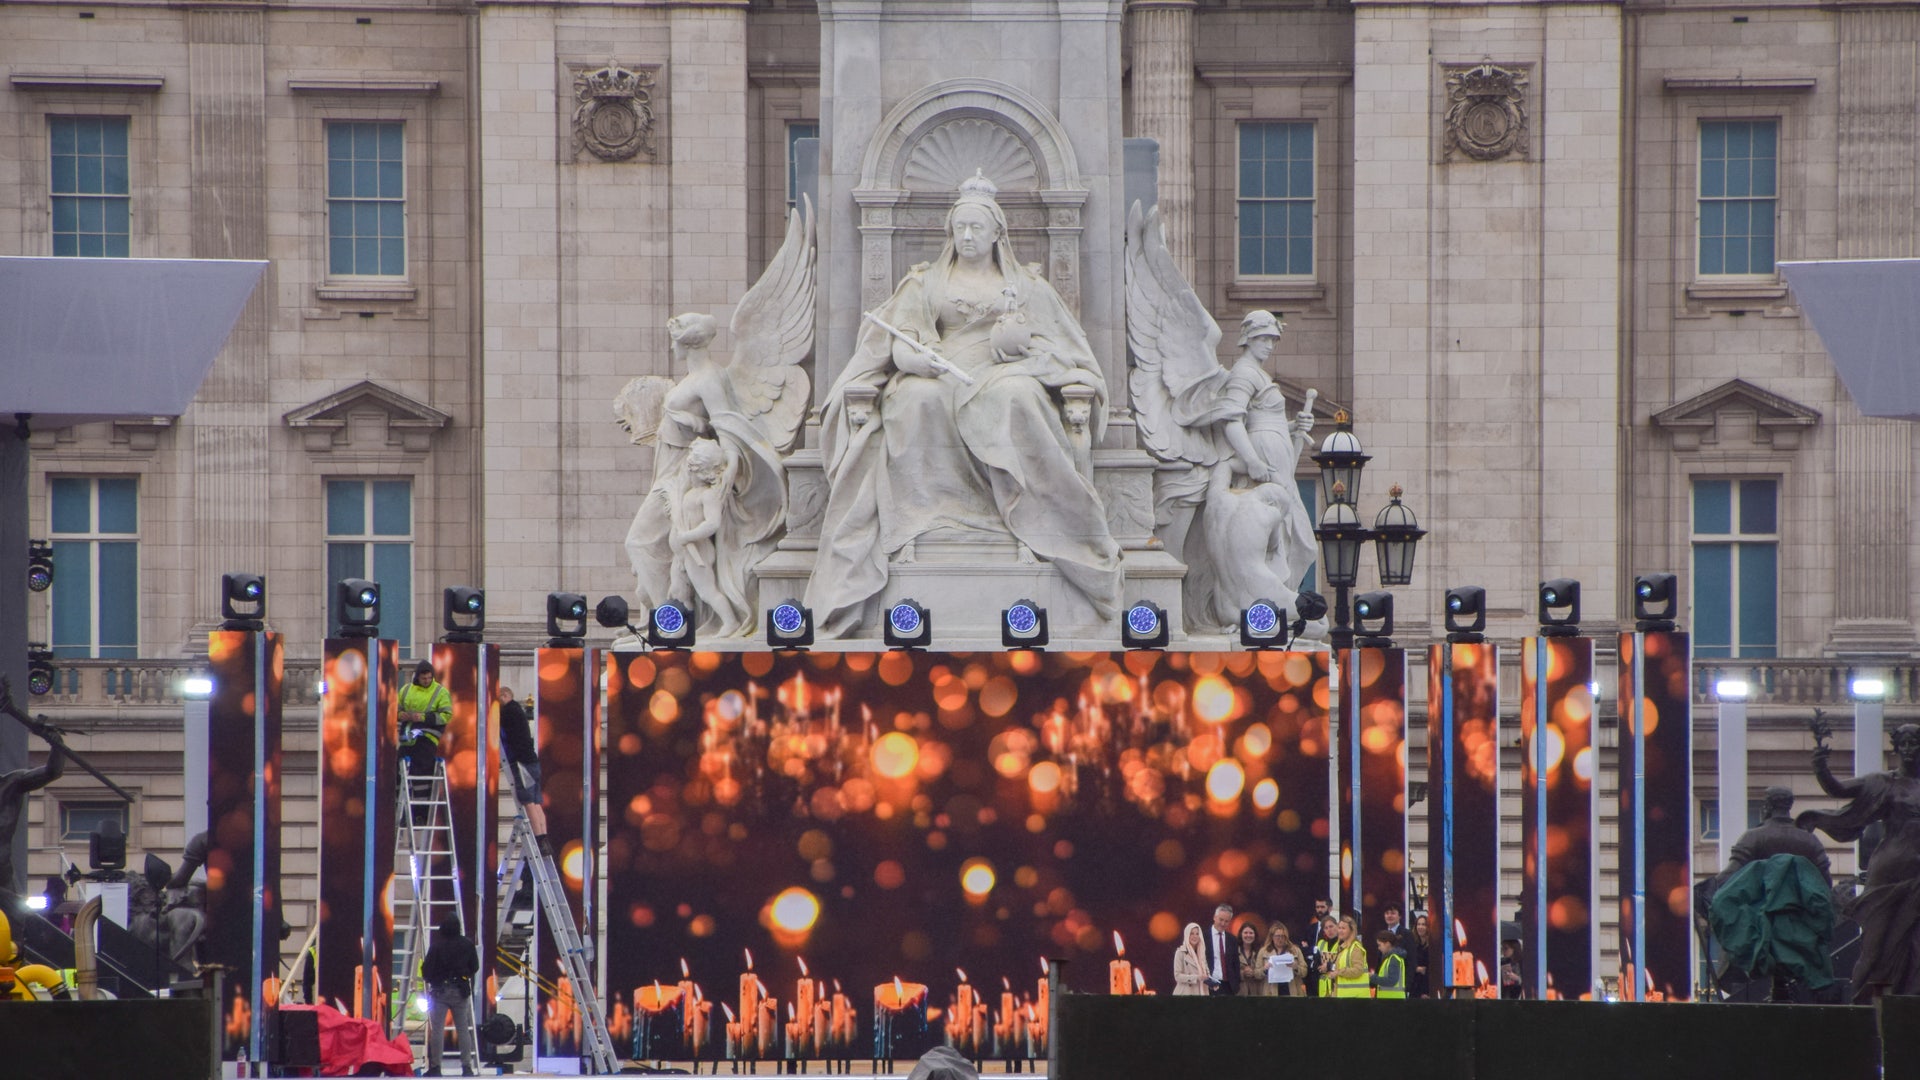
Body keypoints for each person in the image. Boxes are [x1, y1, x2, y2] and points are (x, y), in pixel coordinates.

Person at [806, 172, 1122, 635]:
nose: (968, 237)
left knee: (1017, 396)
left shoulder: (1025, 284)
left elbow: (1058, 342)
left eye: (977, 228)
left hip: (1004, 372)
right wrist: (915, 360)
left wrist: (1017, 347)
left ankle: (1027, 514)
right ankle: (922, 522)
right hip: (940, 370)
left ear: (998, 232)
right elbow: (898, 341)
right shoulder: (926, 281)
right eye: (960, 229)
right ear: (950, 233)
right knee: (914, 399)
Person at [1797, 721, 1920, 1001]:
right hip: (1890, 871)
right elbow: (1839, 790)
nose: (1910, 749)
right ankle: (1864, 1002)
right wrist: (1820, 765)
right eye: (1905, 743)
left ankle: (1911, 1000)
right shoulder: (1883, 783)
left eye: (1916, 743)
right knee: (1876, 943)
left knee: (1915, 943)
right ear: (1897, 748)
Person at [0, 724, 64, 894]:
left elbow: (52, 772)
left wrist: (56, 744)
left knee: (18, 919)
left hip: (3, 878)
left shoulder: (11, 784)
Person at [421, 914, 480, 1076]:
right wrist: (464, 976)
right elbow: (475, 966)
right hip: (461, 990)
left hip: (440, 991)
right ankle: (467, 1067)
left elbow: (426, 970)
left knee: (438, 1030)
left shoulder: (436, 947)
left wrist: (433, 980)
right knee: (463, 1029)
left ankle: (436, 1067)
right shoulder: (467, 945)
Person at [495, 685, 549, 852]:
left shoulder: (508, 712)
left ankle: (539, 840)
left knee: (528, 802)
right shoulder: (518, 711)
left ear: (504, 696)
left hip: (521, 763)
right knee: (537, 802)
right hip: (532, 761)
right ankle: (544, 837)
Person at [398, 659, 452, 780]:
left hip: (428, 737)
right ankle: (399, 796)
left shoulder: (440, 692)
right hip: (407, 737)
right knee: (399, 770)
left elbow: (446, 715)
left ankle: (422, 797)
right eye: (424, 678)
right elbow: (395, 708)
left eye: (429, 678)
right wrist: (400, 715)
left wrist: (423, 717)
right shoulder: (406, 690)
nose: (427, 681)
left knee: (422, 771)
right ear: (417, 677)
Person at [1258, 921, 1306, 998]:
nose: (1280, 939)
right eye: (1277, 936)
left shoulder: (1295, 950)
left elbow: (1304, 972)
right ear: (1272, 937)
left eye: (1283, 936)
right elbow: (1256, 974)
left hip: (1292, 990)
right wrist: (1265, 969)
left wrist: (1295, 967)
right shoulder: (1263, 951)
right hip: (1271, 992)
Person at [1328, 914, 1371, 998]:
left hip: (1355, 998)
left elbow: (1358, 970)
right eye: (1339, 928)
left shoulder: (1355, 948)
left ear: (1351, 930)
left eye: (1343, 928)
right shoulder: (1343, 948)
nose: (1340, 931)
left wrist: (1338, 972)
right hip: (1344, 997)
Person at [1201, 903, 1239, 996]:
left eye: (1226, 921)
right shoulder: (1203, 937)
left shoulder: (1232, 940)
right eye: (1221, 920)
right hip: (1208, 985)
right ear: (1214, 917)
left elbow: (1235, 963)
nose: (1223, 924)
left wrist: (1236, 984)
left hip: (1228, 986)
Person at [1372, 929, 1408, 999]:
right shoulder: (1390, 958)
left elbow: (1391, 981)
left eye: (1380, 945)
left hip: (1392, 1001)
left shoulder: (1393, 958)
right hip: (1391, 999)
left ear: (1388, 944)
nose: (1378, 948)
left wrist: (1373, 977)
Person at [1172, 923, 1207, 996]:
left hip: (1201, 992)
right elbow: (1177, 976)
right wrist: (1196, 977)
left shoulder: (1201, 954)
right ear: (1187, 935)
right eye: (1192, 933)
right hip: (1186, 993)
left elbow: (1206, 974)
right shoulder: (1180, 952)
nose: (1195, 936)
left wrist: (1212, 983)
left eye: (1197, 934)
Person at [1312, 915, 1341, 997]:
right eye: (1326, 928)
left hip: (1337, 984)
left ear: (1337, 926)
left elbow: (1343, 966)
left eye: (1331, 926)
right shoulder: (1321, 943)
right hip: (1323, 987)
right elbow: (1315, 964)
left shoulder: (1342, 943)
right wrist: (1320, 968)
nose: (1329, 930)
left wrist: (1329, 966)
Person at [1235, 921, 1265, 996]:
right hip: (1239, 992)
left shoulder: (1261, 951)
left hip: (1257, 992)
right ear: (1241, 934)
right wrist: (1242, 973)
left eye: (1251, 933)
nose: (1248, 935)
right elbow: (1230, 970)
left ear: (1255, 935)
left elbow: (1265, 970)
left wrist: (1254, 972)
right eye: (1245, 933)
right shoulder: (1234, 951)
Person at [1408, 913, 1432, 998]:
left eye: (1423, 924)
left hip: (1427, 988)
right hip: (1414, 987)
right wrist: (1416, 969)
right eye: (1418, 924)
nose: (1420, 927)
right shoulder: (1414, 945)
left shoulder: (1432, 947)